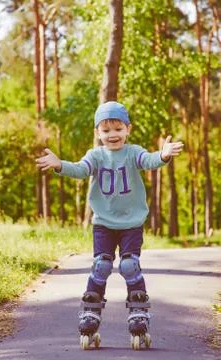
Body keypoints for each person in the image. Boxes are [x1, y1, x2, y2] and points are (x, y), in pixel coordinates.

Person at [36, 101, 184, 349]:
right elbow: (81, 170)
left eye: (118, 129)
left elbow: (149, 161)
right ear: (97, 133)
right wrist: (60, 164)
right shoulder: (95, 155)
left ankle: (139, 313)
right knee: (102, 265)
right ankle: (90, 313)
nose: (112, 135)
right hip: (103, 223)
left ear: (128, 129)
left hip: (131, 223)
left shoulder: (133, 152)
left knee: (129, 264)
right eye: (106, 130)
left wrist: (163, 155)